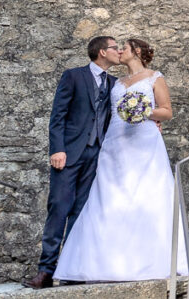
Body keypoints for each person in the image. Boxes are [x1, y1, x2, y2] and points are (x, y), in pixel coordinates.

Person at [53, 38, 189, 282]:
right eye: (116, 48)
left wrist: (144, 112)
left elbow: (167, 110)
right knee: (109, 199)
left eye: (124, 48)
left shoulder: (154, 77)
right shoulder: (114, 82)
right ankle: (103, 264)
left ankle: (151, 259)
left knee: (148, 195)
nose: (120, 51)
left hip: (144, 143)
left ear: (137, 52)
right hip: (114, 144)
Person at [23, 36, 120, 289]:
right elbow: (58, 115)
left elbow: (121, 116)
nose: (119, 51)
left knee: (82, 212)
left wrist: (152, 119)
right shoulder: (74, 76)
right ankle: (46, 271)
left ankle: (71, 269)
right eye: (114, 47)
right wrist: (58, 149)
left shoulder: (115, 83)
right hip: (69, 154)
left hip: (96, 155)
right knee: (59, 207)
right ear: (101, 52)